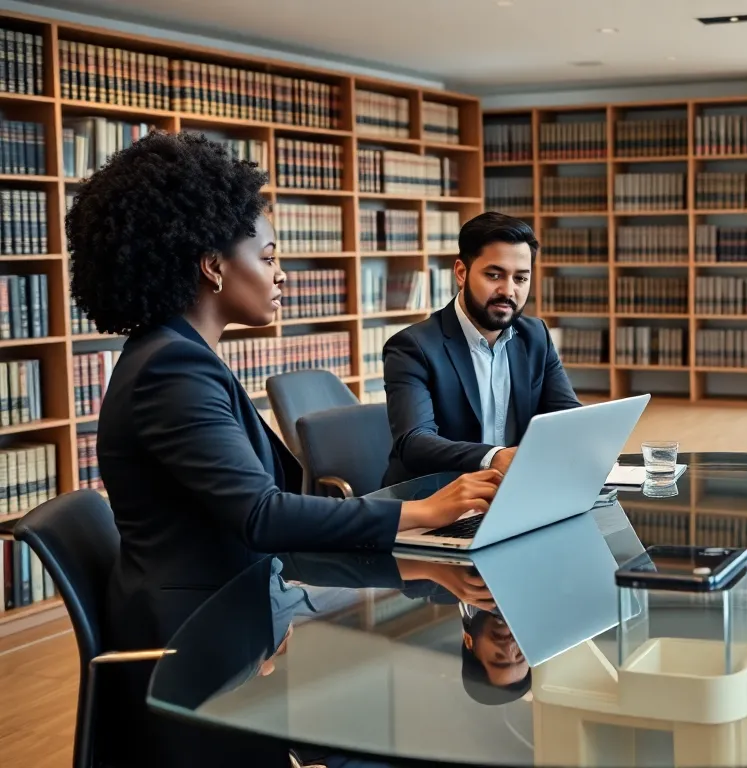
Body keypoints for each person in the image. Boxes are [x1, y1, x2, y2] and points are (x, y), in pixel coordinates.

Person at [66, 131, 501, 764]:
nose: (281, 273)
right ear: (213, 265)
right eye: (268, 257)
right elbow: (262, 514)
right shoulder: (173, 372)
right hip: (201, 648)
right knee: (402, 720)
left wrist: (418, 559)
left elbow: (271, 505)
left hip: (232, 611)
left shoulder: (178, 356)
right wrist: (425, 514)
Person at [382, 211, 581, 486]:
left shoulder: (536, 336)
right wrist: (494, 457)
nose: (508, 291)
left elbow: (568, 419)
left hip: (511, 494)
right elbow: (415, 443)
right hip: (433, 498)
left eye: (520, 279)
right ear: (462, 273)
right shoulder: (413, 347)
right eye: (494, 275)